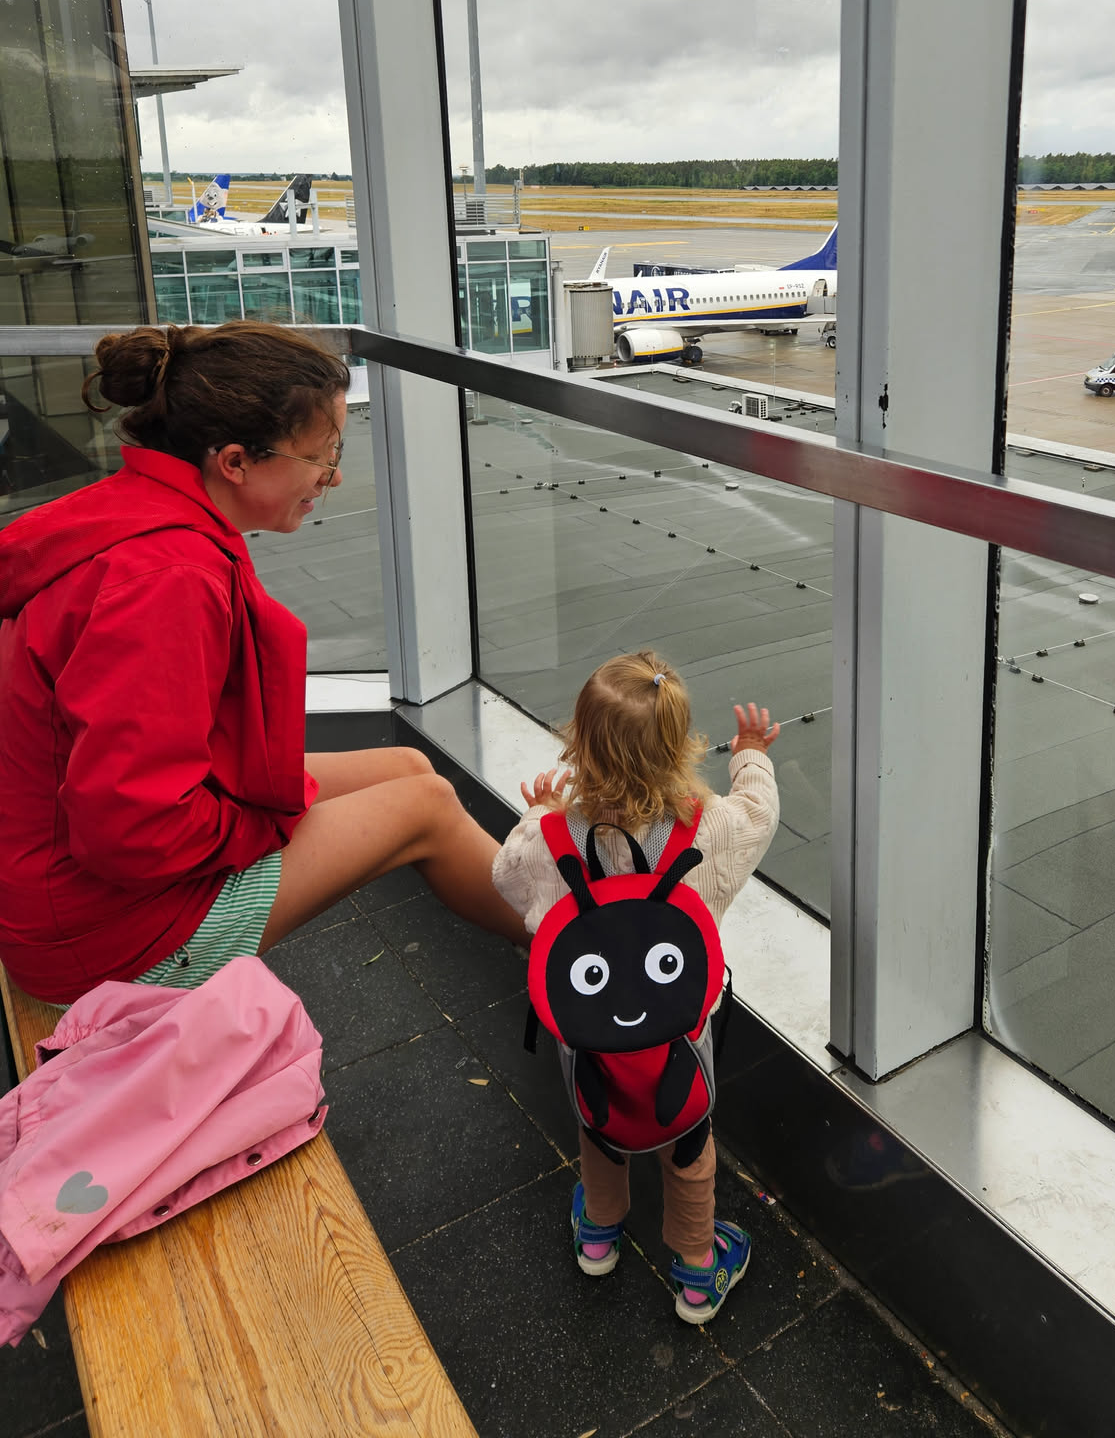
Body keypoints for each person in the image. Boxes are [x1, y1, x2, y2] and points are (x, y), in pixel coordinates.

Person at [0, 321, 525, 1007]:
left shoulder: (130, 513)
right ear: (236, 461)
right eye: (320, 456)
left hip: (55, 881)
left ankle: (562, 933)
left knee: (409, 767)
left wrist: (274, 806)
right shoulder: (169, 580)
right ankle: (593, 956)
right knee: (423, 807)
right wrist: (269, 821)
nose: (333, 476)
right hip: (102, 939)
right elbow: (129, 830)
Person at [493, 650, 779, 1324]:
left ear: (578, 743)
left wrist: (538, 815)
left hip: (591, 1035)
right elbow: (758, 814)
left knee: (600, 1123)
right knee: (689, 1140)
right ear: (682, 747)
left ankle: (598, 1234)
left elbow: (507, 878)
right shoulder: (710, 827)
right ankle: (699, 1273)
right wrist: (750, 757)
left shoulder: (552, 839)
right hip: (680, 1031)